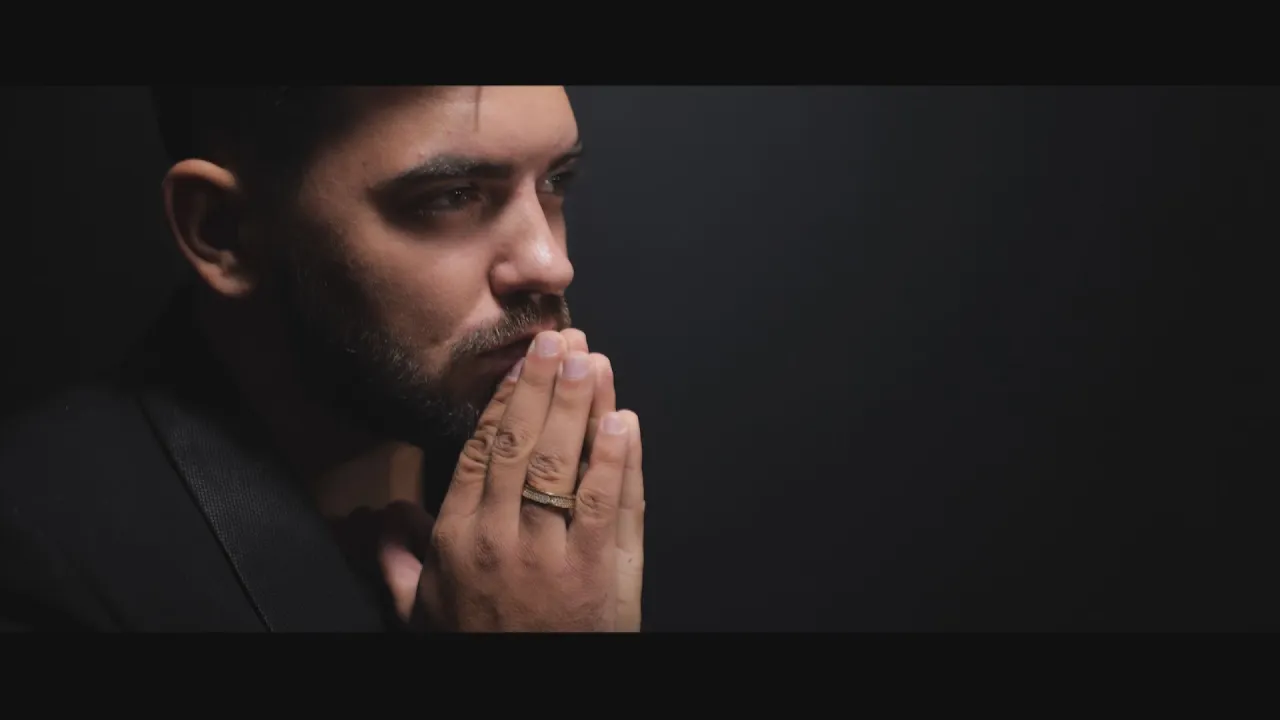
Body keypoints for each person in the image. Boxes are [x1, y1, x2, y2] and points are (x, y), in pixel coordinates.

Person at [0, 86, 645, 632]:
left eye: (555, 181)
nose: (551, 264)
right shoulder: (44, 560)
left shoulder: (562, 496)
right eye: (452, 195)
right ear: (221, 230)